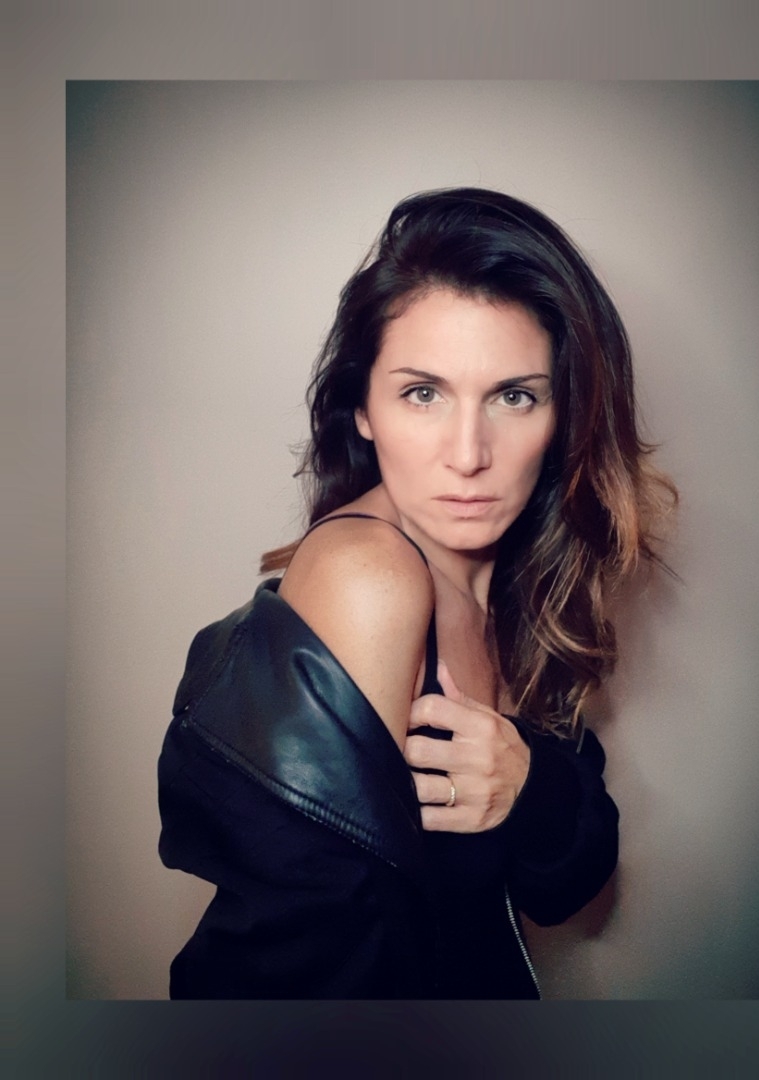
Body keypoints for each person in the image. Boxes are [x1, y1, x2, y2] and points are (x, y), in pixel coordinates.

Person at [157, 187, 676, 1000]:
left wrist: (526, 783)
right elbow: (309, 970)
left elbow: (572, 884)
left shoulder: (526, 583)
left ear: (563, 416)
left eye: (514, 395)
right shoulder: (370, 578)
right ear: (362, 409)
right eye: (422, 393)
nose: (467, 455)